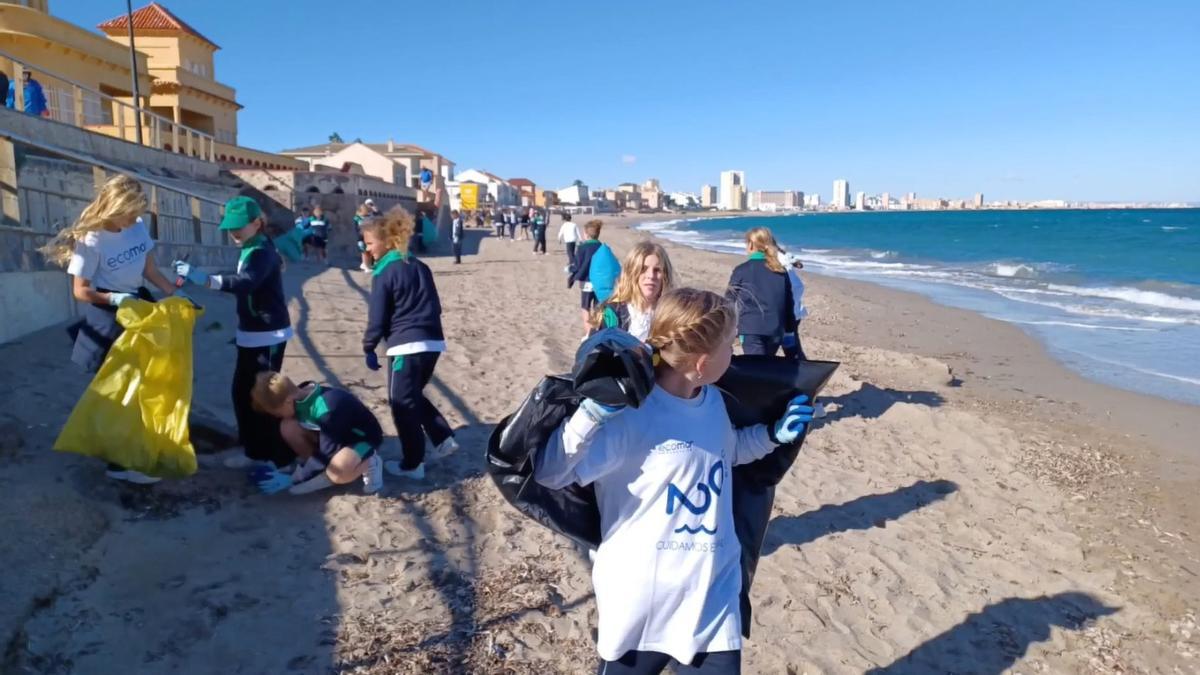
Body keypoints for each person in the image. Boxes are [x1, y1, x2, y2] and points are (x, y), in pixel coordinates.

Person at [535, 288, 814, 674]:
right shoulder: (630, 415)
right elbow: (552, 473)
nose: (734, 355)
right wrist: (591, 415)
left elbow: (727, 452)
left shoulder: (712, 400)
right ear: (701, 363)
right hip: (643, 604)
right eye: (729, 345)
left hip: (712, 596)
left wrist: (772, 435)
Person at [43, 174, 183, 484]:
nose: (136, 218)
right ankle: (119, 464)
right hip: (107, 312)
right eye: (131, 211)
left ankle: (133, 447)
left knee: (142, 383)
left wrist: (171, 291)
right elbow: (80, 290)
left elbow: (148, 269)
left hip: (138, 305)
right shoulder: (92, 239)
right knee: (119, 388)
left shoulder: (137, 227)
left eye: (138, 212)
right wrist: (113, 298)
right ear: (115, 206)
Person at [174, 196, 295, 470]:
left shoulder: (262, 251)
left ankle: (268, 453)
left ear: (257, 223)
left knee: (261, 396)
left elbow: (247, 282)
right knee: (242, 392)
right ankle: (252, 444)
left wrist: (204, 279)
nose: (234, 232)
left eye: (240, 226)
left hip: (268, 335)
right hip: (252, 333)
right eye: (230, 227)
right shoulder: (252, 246)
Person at [359, 208, 458, 480]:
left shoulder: (385, 271)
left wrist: (369, 346)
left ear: (388, 241)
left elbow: (377, 317)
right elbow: (435, 306)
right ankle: (442, 437)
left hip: (406, 346)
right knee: (411, 394)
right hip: (433, 343)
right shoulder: (419, 266)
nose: (366, 249)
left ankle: (413, 464)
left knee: (400, 403)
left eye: (369, 243)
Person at [248, 372, 384, 495]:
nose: (277, 416)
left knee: (337, 473)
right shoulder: (299, 396)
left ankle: (370, 462)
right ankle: (316, 470)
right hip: (335, 435)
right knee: (288, 426)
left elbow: (326, 452)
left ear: (288, 401)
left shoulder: (326, 409)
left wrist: (294, 478)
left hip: (361, 439)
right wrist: (280, 462)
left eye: (277, 412)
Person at [725, 227, 794, 356]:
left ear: (751, 244)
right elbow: (789, 304)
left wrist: (727, 329)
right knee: (766, 367)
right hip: (776, 329)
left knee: (756, 368)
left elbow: (728, 301)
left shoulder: (742, 270)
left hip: (751, 329)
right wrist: (789, 331)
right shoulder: (780, 270)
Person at [589, 241, 674, 341]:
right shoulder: (611, 314)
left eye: (657, 270)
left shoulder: (671, 316)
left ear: (665, 276)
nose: (651, 276)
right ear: (631, 273)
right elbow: (595, 353)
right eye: (643, 269)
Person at [568, 219, 608, 333]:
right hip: (599, 282)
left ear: (586, 234)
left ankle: (588, 333)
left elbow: (577, 266)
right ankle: (597, 330)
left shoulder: (582, 247)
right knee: (597, 308)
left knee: (585, 307)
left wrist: (570, 272)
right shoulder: (602, 247)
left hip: (586, 282)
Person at [777, 251, 808, 361]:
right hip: (793, 312)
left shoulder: (774, 259)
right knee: (793, 349)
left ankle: (802, 371)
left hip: (786, 314)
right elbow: (797, 262)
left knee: (791, 350)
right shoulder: (782, 256)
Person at [353, 203, 374, 272]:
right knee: (364, 252)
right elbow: (356, 229)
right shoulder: (357, 218)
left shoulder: (368, 216)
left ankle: (367, 264)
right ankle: (366, 266)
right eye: (365, 211)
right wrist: (359, 238)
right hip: (361, 238)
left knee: (368, 251)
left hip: (368, 236)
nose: (366, 213)